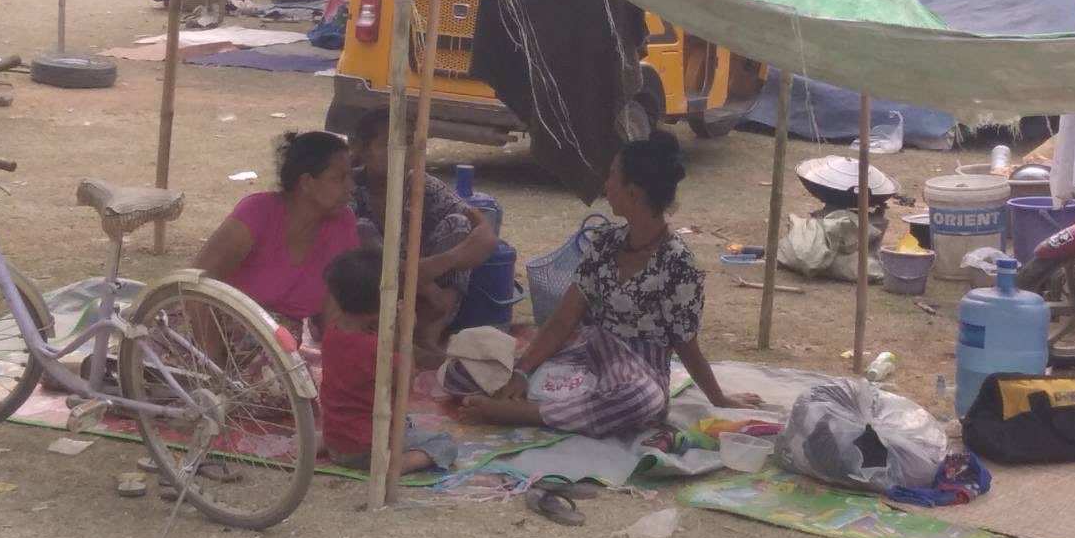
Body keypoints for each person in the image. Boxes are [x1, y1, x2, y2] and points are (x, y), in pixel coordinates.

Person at [460, 131, 759, 436]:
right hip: (589, 355)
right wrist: (522, 372)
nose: (606, 185)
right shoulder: (605, 244)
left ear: (634, 194)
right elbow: (564, 319)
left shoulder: (677, 262)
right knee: (470, 365)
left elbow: (686, 344)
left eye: (613, 176)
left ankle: (528, 412)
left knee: (640, 402)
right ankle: (557, 403)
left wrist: (718, 398)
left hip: (639, 371)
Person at [347, 109, 499, 355]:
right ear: (363, 150)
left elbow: (486, 234)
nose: (401, 152)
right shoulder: (349, 187)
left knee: (459, 224)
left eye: (407, 143)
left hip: (424, 298)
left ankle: (429, 331)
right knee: (360, 230)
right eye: (389, 144)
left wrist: (435, 265)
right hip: (370, 295)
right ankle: (391, 331)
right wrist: (425, 284)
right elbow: (371, 258)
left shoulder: (421, 184)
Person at [193, 131, 360, 339]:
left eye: (350, 177)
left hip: (277, 346)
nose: (350, 187)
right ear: (307, 182)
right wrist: (210, 360)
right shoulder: (257, 212)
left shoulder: (343, 223)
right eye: (338, 179)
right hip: (208, 326)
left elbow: (335, 308)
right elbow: (196, 283)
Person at [317, 247, 455, 474]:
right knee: (442, 443)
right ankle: (392, 466)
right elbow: (405, 381)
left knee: (395, 420)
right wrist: (404, 332)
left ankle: (323, 445)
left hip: (337, 441)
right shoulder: (374, 349)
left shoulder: (332, 334)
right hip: (368, 450)